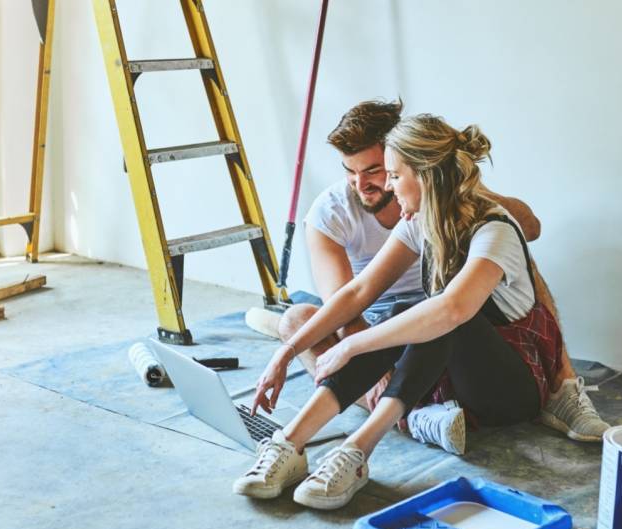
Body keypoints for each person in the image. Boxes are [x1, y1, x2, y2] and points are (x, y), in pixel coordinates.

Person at [234, 115, 589, 509]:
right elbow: (358, 291)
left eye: (393, 175)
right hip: (455, 380)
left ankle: (356, 451)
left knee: (439, 315)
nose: (386, 186)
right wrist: (285, 353)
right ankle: (290, 441)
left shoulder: (494, 230)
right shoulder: (420, 222)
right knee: (405, 313)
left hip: (514, 392)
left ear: (425, 176)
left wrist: (351, 347)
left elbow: (454, 309)